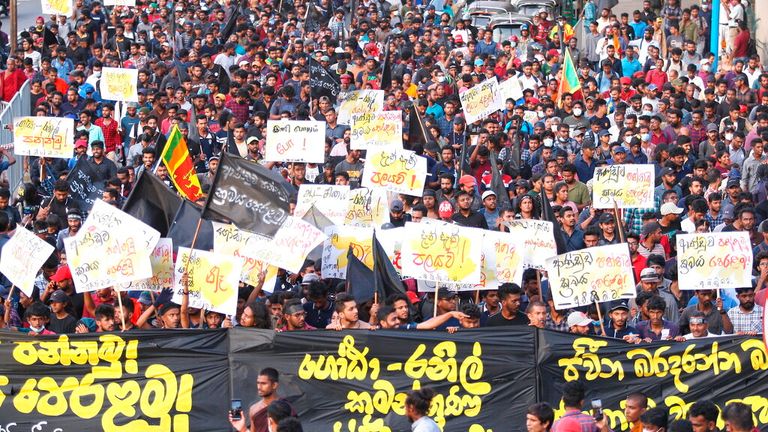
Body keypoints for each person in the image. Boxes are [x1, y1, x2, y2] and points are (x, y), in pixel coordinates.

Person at [230, 368, 292, 432]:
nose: (259, 387)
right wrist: (242, 428)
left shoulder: (285, 407)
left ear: (274, 385)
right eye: (258, 383)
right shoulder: (254, 409)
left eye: (263, 383)